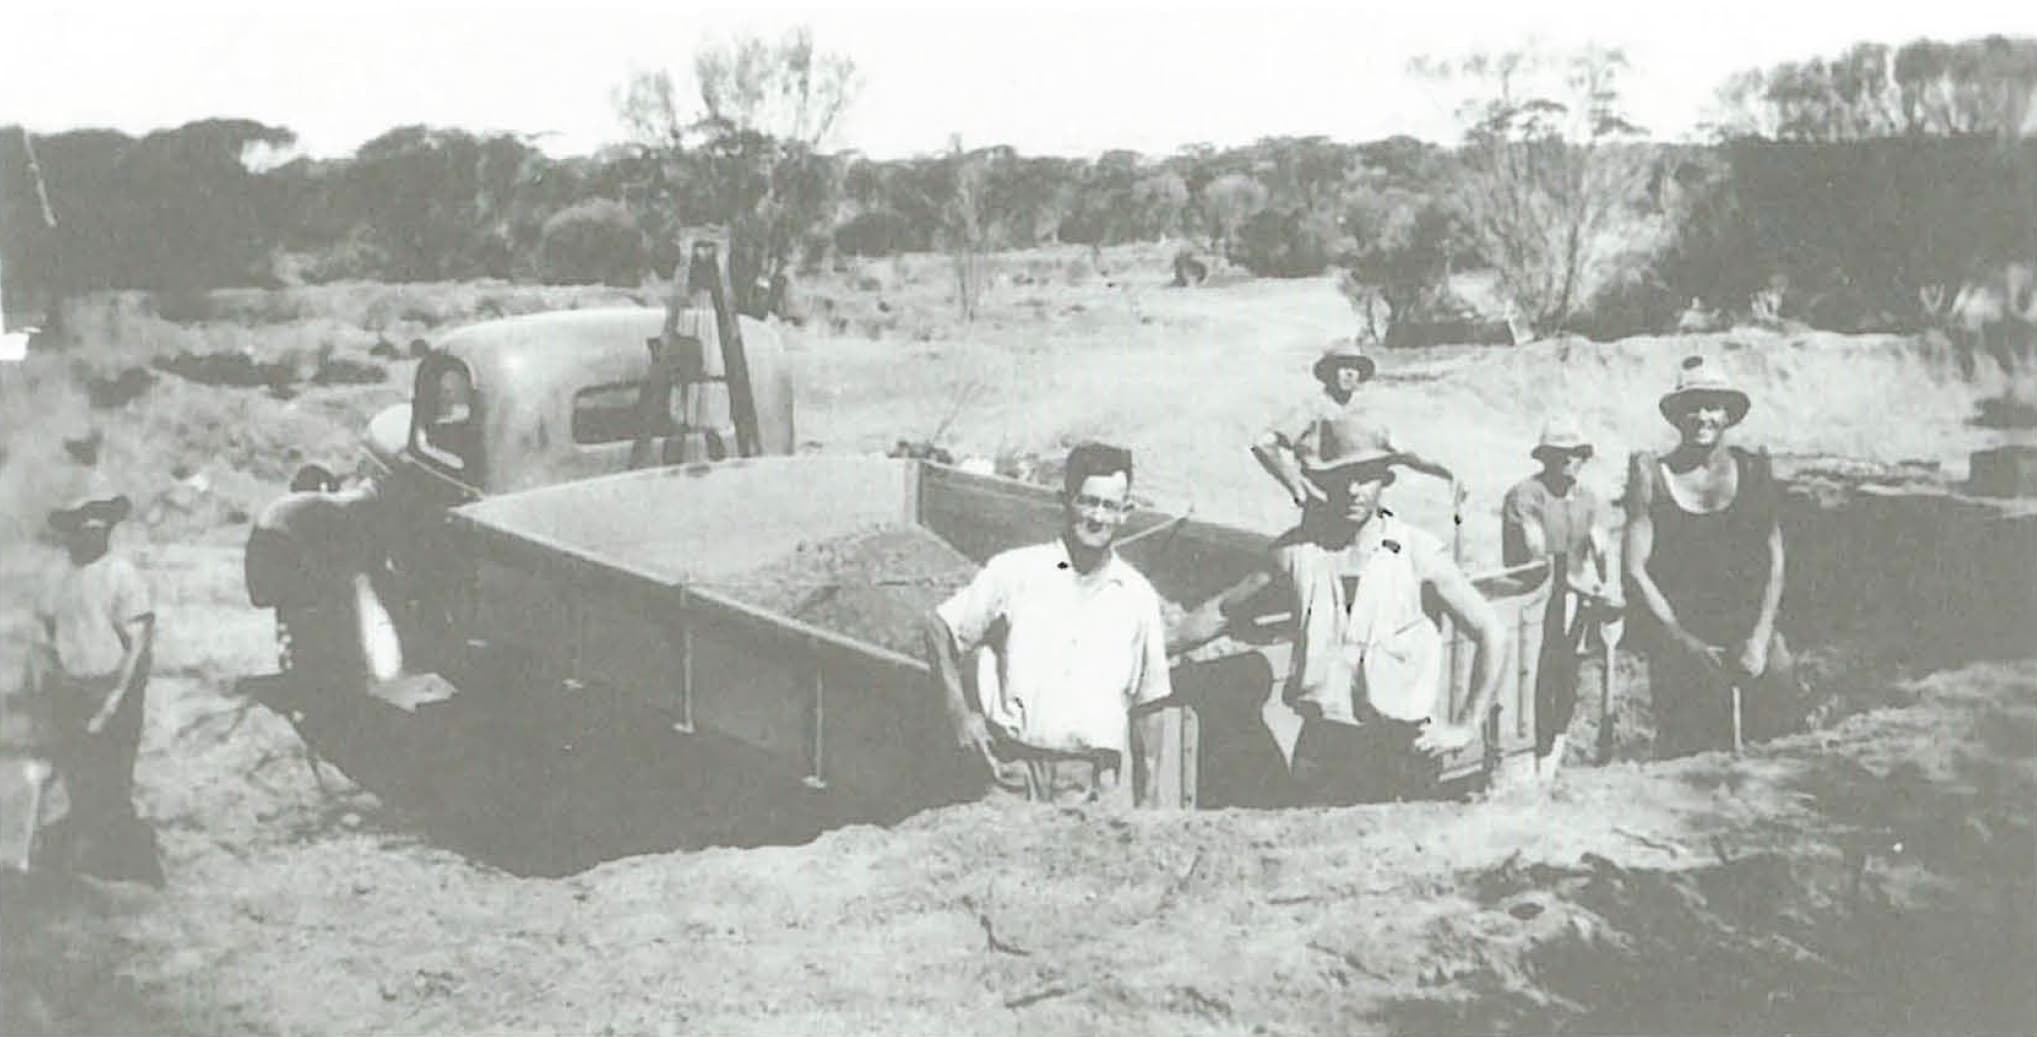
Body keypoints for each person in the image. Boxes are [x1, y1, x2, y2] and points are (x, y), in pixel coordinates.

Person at [1176, 416, 1509, 805]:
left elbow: (1491, 632)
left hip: (1401, 751)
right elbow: (1222, 611)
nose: (1353, 490)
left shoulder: (1418, 553)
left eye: (1365, 477)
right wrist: (1138, 651)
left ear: (1385, 479)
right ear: (1321, 481)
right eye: (1341, 477)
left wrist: (1466, 726)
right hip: (1325, 751)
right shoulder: (1296, 553)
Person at [921, 442, 1174, 806]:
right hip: (1010, 773)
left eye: (1109, 506)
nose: (1097, 517)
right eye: (1087, 501)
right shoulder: (1016, 572)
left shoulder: (1137, 596)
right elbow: (939, 627)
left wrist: (1148, 800)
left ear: (1125, 512)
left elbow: (1149, 705)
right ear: (1065, 500)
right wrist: (959, 714)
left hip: (1086, 784)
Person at [1623, 355, 1799, 759]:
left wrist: (1758, 639)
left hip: (1750, 631)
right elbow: (1635, 571)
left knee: (1775, 748)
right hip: (1682, 635)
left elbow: (1774, 561)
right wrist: (1684, 644)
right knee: (1687, 760)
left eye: (1712, 406)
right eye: (1691, 407)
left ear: (1729, 415)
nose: (1702, 416)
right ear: (1676, 416)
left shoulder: (1754, 470)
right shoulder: (1651, 475)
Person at [24, 469, 160, 882]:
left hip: (111, 690)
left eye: (100, 516)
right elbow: (43, 638)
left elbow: (137, 647)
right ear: (71, 526)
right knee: (75, 779)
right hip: (68, 691)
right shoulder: (56, 576)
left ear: (110, 524)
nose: (92, 524)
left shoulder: (122, 574)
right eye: (84, 516)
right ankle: (77, 867)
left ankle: (120, 868)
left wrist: (114, 702)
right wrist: (43, 690)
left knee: (112, 781)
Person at [1501, 412, 1619, 776]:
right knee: (1536, 677)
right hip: (1534, 601)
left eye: (1576, 453)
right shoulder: (1525, 496)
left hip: (1577, 599)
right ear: (1546, 457)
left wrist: (1608, 590)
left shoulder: (1588, 499)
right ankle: (1529, 757)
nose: (1569, 461)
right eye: (1560, 453)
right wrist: (1578, 583)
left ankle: (1552, 761)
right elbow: (1535, 555)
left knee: (1567, 676)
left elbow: (1601, 548)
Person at [1251, 339, 1457, 509]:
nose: (1349, 373)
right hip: (1325, 503)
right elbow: (1263, 443)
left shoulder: (1367, 414)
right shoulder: (1313, 409)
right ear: (1328, 372)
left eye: (1354, 368)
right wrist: (1296, 487)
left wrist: (1447, 474)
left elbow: (1404, 453)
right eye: (1341, 367)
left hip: (1359, 501)